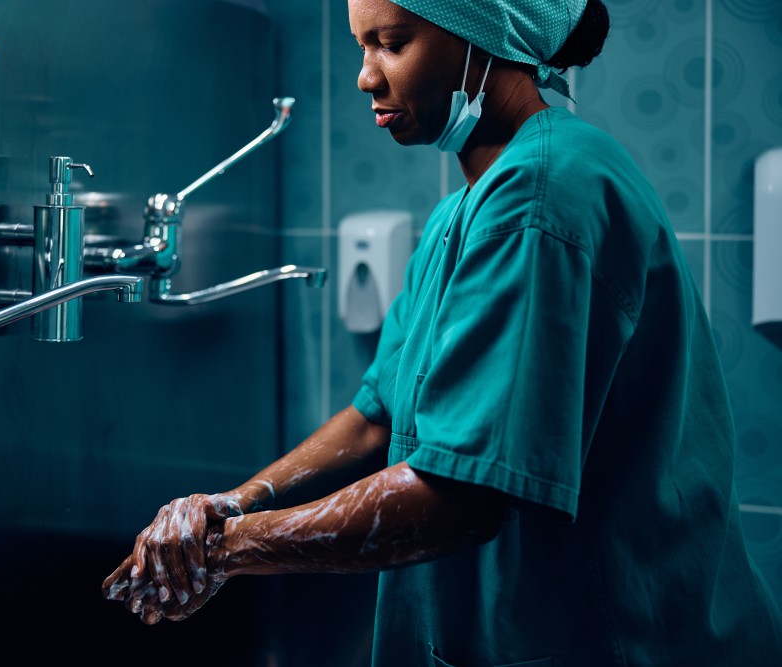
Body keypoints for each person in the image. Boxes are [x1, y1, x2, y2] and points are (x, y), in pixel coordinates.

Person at [103, 0, 782, 664]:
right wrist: (233, 503)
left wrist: (224, 550)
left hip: (621, 636)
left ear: (482, 38)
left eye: (393, 43)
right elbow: (378, 414)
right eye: (362, 46)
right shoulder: (463, 211)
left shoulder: (541, 198)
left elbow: (461, 498)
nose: (367, 77)